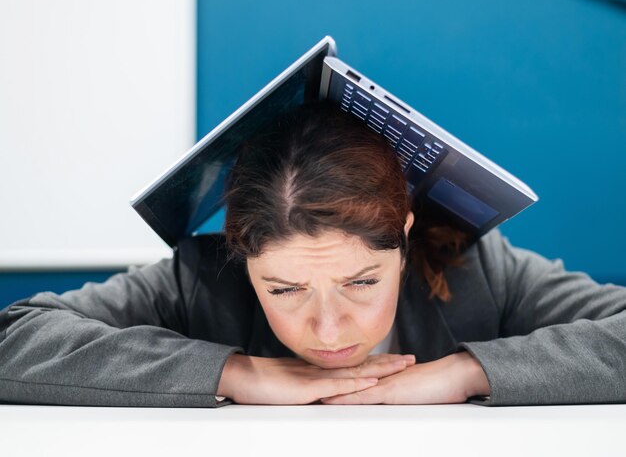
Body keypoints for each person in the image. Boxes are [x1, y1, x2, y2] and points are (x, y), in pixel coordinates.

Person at [1, 101, 625, 408]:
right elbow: (15, 340)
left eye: (359, 282)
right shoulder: (200, 279)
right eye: (284, 290)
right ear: (240, 258)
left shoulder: (480, 273)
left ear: (404, 238)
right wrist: (236, 374)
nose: (328, 330)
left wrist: (464, 373)